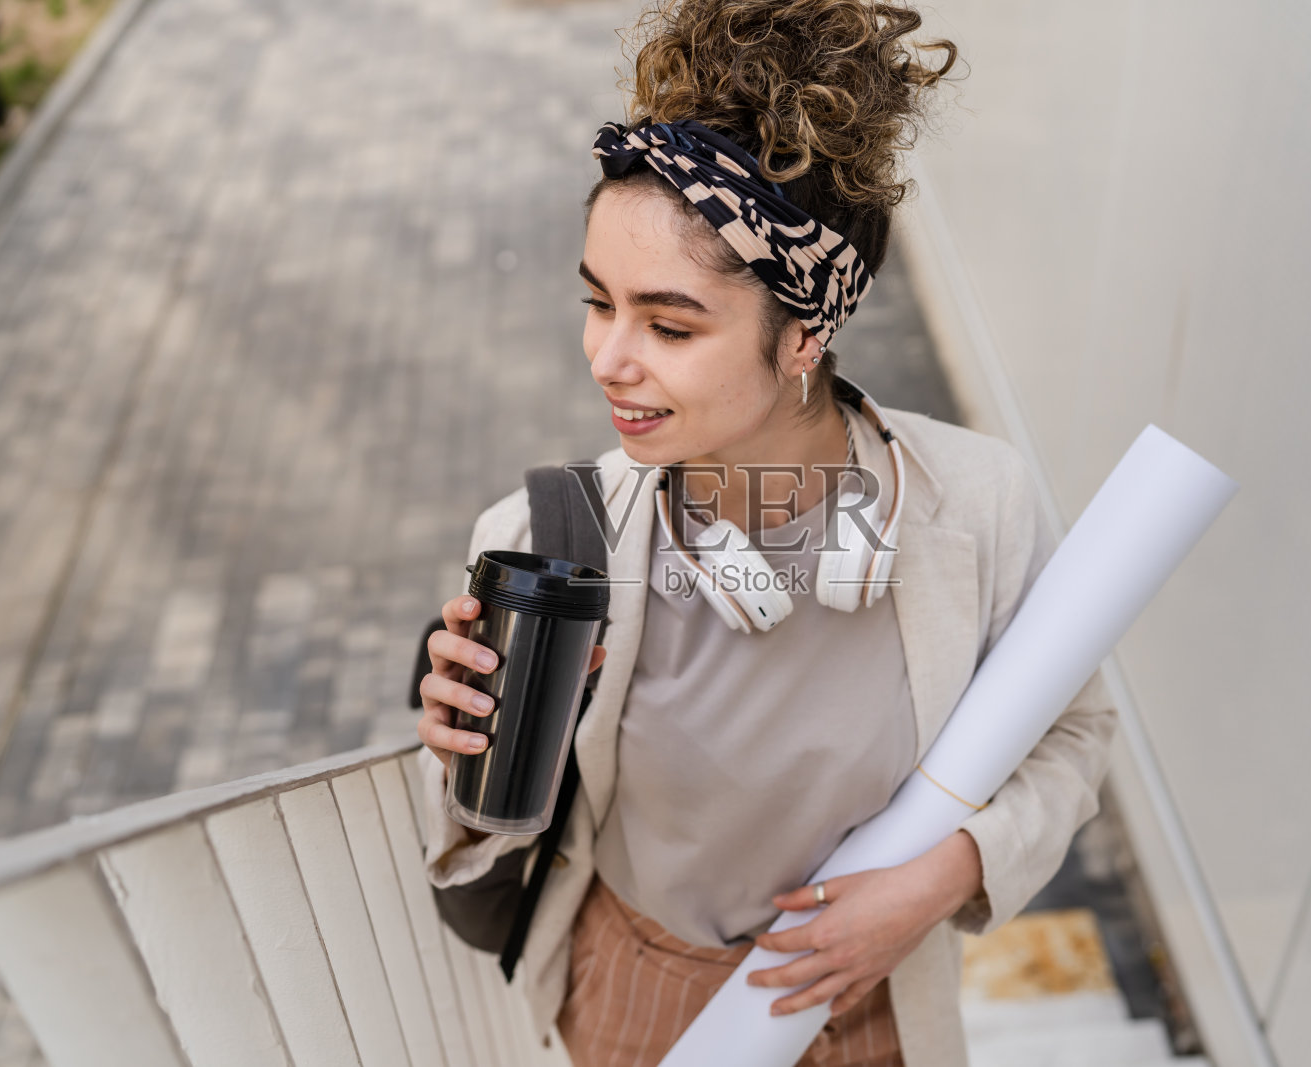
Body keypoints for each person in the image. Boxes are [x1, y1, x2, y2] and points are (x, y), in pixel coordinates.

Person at [414, 2, 1119, 1064]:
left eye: (670, 323)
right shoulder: (548, 535)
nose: (610, 358)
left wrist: (941, 880)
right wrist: (458, 746)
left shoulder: (976, 505)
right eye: (597, 303)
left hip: (875, 1004)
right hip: (636, 1000)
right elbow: (490, 834)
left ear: (805, 333)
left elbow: (1073, 733)